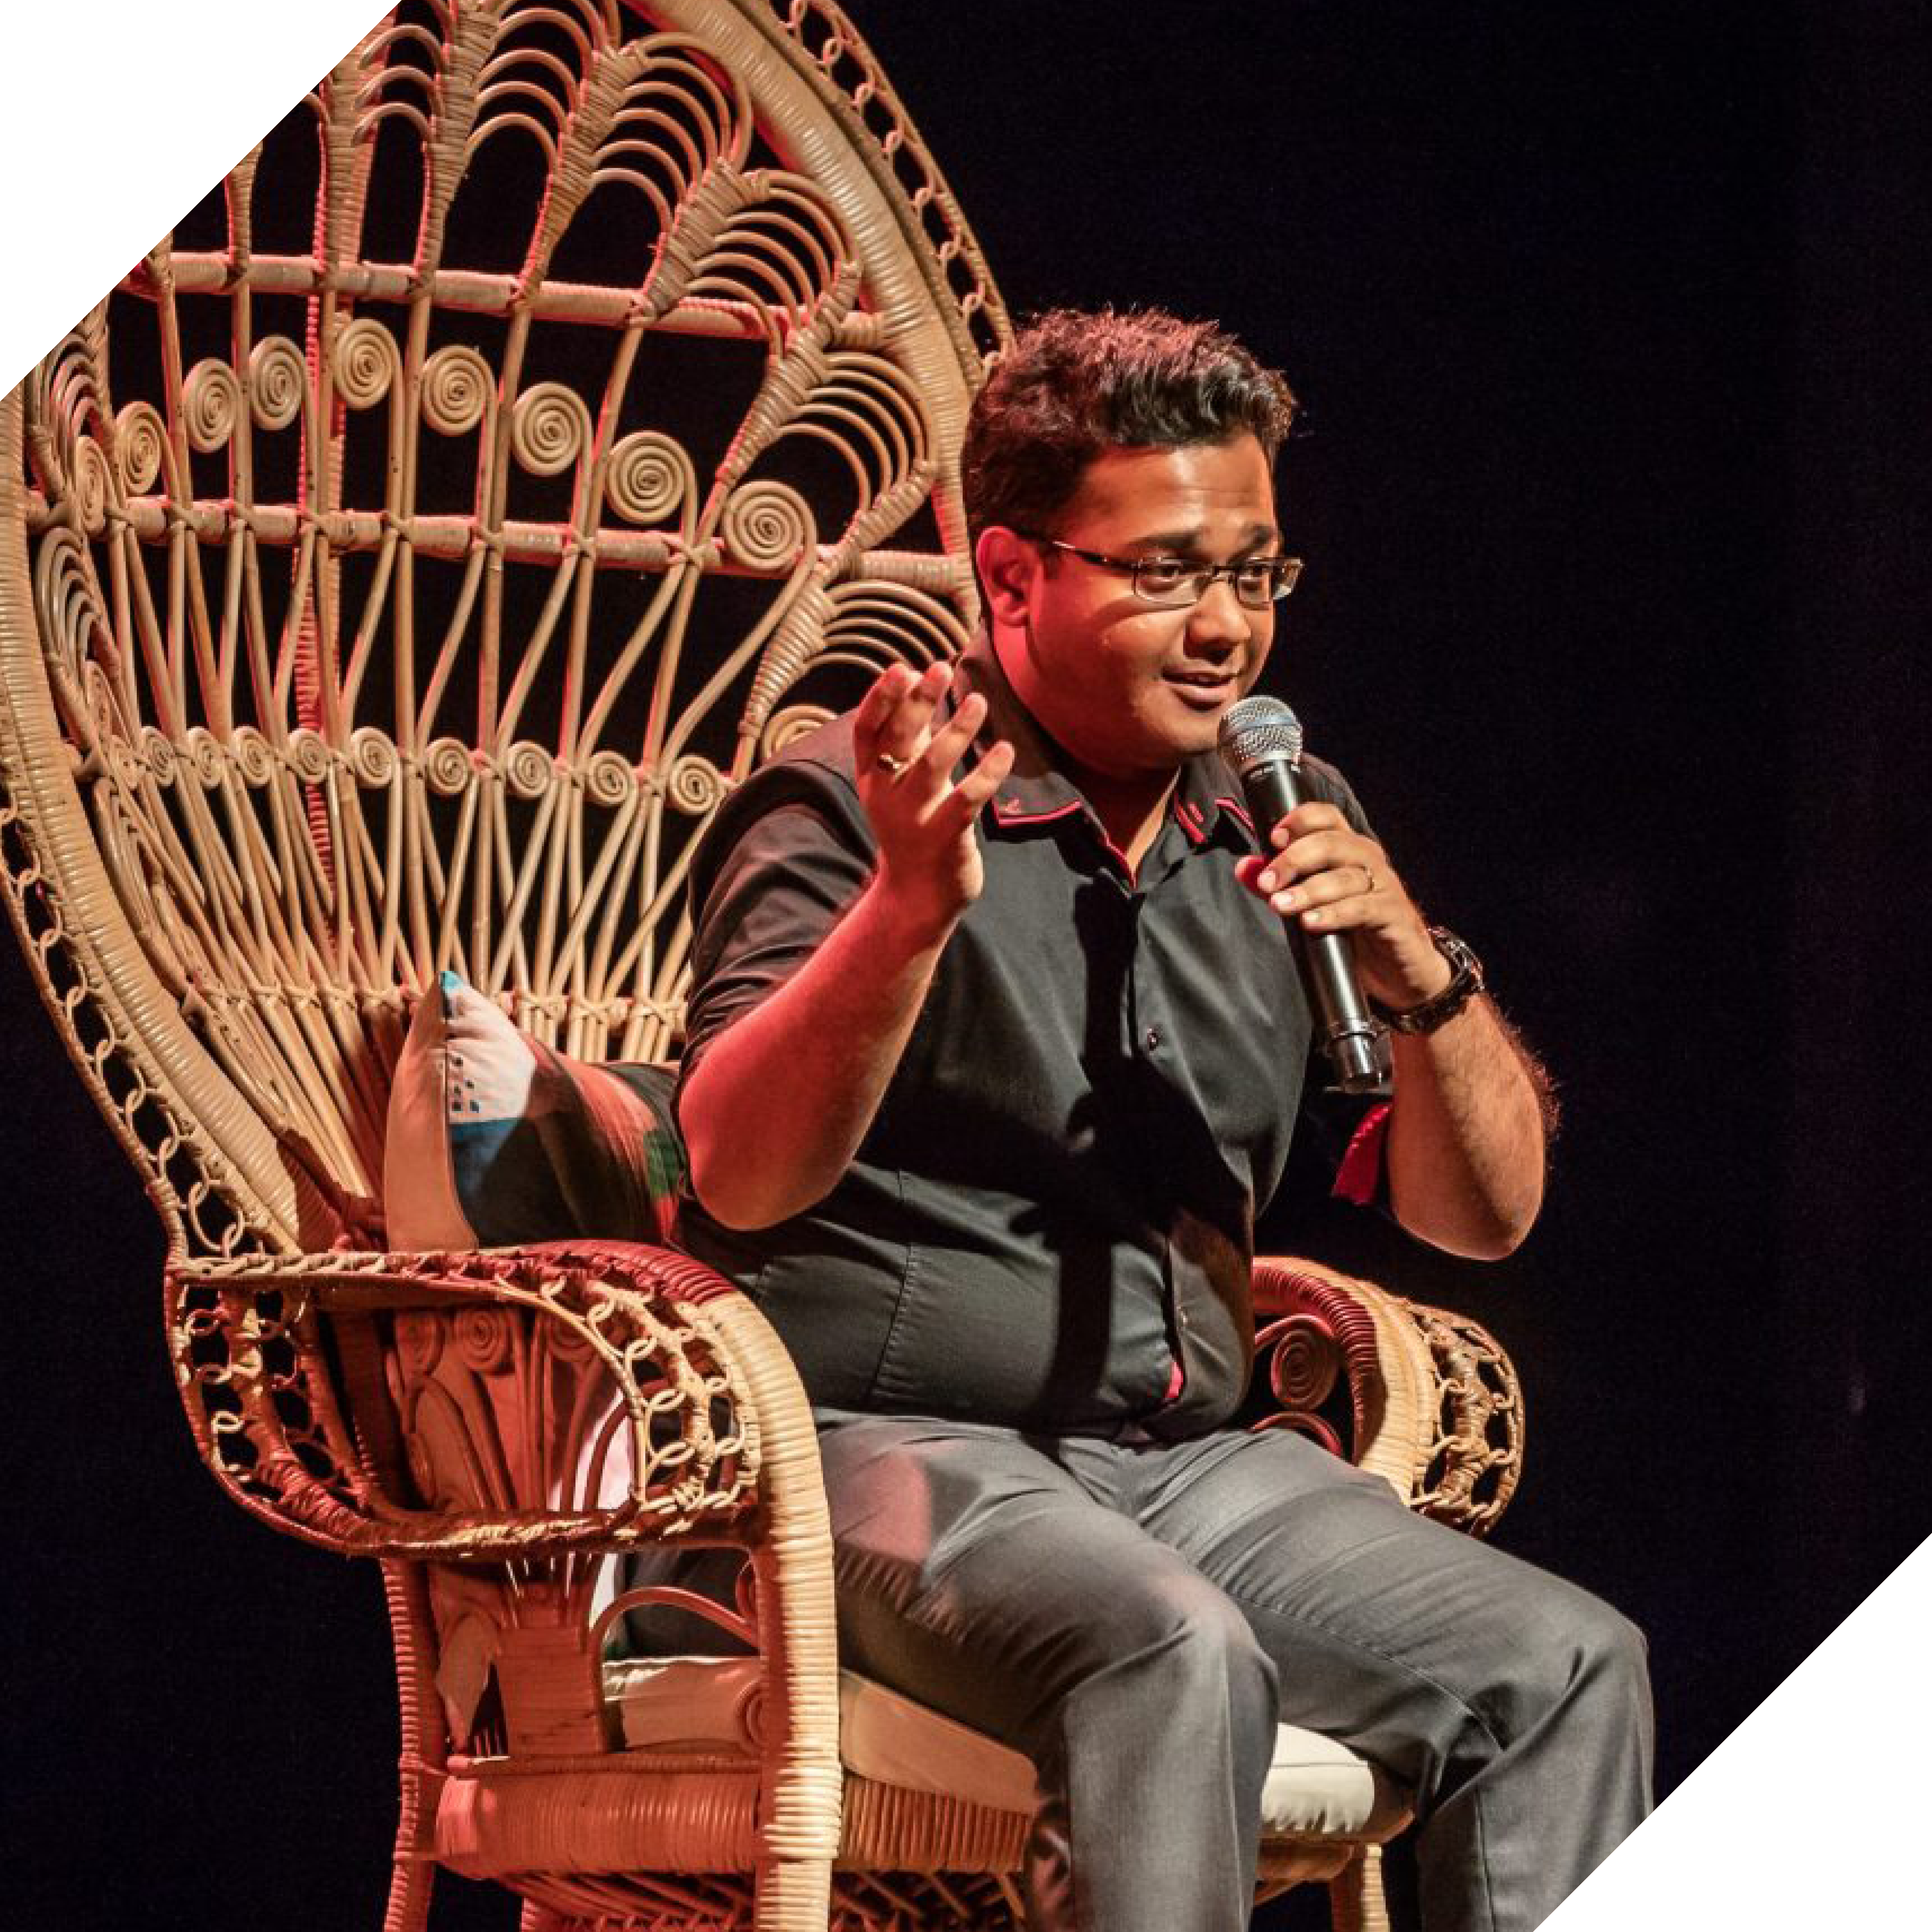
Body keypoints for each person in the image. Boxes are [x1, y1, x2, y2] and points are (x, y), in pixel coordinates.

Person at [665, 308, 1653, 1931]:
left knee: (1564, 1665)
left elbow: (1483, 1217)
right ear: (1008, 575)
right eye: (1167, 573)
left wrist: (1421, 973)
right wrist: (910, 910)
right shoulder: (860, 804)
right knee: (1168, 1644)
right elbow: (737, 1170)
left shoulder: (1279, 812)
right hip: (882, 1452)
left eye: (1255, 576)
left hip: (1184, 1464)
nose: (1224, 629)